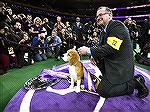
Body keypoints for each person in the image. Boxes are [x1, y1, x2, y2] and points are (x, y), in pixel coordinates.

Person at [78, 6, 149, 98]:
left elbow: (110, 48)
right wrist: (95, 56)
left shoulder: (117, 26)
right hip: (112, 63)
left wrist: (88, 51)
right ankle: (112, 80)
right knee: (98, 61)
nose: (98, 18)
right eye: (97, 16)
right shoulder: (104, 31)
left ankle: (135, 82)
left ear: (110, 16)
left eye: (101, 15)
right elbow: (102, 48)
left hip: (120, 66)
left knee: (103, 91)